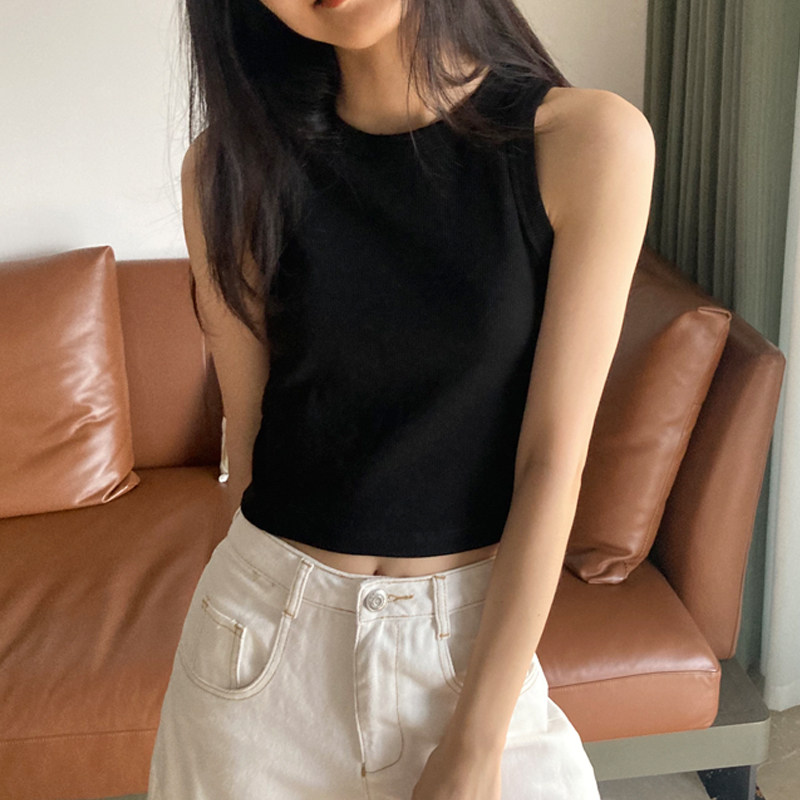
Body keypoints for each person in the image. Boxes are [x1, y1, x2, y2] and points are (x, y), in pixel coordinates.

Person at [147, 0, 655, 797]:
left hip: (466, 649)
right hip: (261, 651)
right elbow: (247, 434)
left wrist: (478, 740)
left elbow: (552, 460)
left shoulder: (586, 141)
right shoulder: (228, 168)